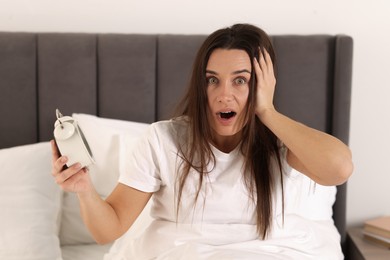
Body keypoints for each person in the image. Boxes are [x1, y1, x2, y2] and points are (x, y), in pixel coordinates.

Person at [51, 23, 353, 259]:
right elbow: (110, 228)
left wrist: (267, 111)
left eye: (240, 80)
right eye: (212, 80)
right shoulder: (162, 140)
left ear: (263, 85)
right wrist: (85, 192)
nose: (224, 94)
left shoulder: (282, 141)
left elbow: (339, 168)